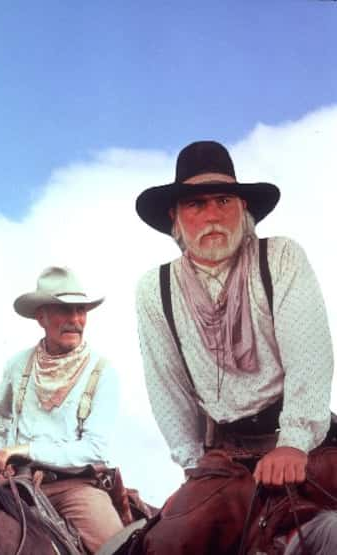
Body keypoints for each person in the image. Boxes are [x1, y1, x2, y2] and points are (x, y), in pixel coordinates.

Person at [134, 140, 335, 553]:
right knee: (162, 542)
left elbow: (310, 354)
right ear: (175, 216)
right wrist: (193, 469)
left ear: (243, 208)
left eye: (223, 200)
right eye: (196, 204)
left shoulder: (280, 257)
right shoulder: (155, 289)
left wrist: (294, 441)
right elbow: (166, 386)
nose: (212, 216)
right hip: (222, 457)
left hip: (305, 441)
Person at [0, 266, 124, 553]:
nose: (75, 320)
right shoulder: (18, 364)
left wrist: (25, 450)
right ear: (41, 317)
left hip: (75, 488)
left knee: (117, 549)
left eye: (80, 310)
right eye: (64, 311)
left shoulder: (103, 372)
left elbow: (94, 449)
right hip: (16, 484)